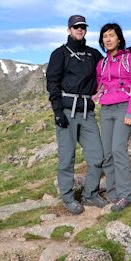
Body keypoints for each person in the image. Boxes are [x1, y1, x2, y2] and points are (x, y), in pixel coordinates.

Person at [46, 15, 108, 214]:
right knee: (67, 158)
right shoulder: (60, 54)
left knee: (97, 155)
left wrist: (124, 54)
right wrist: (57, 112)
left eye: (82, 27)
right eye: (76, 27)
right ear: (69, 30)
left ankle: (91, 194)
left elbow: (108, 70)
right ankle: (67, 197)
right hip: (66, 111)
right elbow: (52, 84)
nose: (79, 30)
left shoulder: (93, 54)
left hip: (87, 112)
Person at [95, 23, 131, 212]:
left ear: (119, 39)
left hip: (124, 107)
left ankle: (126, 195)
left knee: (118, 150)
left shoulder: (129, 58)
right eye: (105, 36)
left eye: (111, 35)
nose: (108, 39)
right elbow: (99, 85)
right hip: (106, 109)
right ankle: (112, 193)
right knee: (107, 153)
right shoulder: (102, 63)